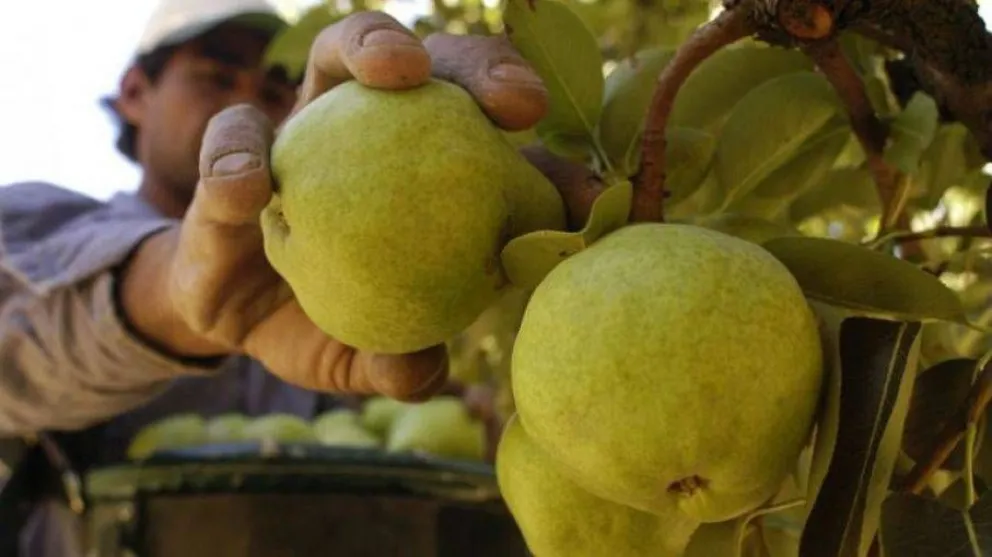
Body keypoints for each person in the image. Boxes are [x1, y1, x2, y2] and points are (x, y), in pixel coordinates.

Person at [0, 0, 599, 555]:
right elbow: (22, 346)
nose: (247, 103)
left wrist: (459, 429)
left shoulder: (326, 311)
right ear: (135, 91)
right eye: (216, 74)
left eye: (272, 88)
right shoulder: (36, 224)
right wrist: (177, 294)